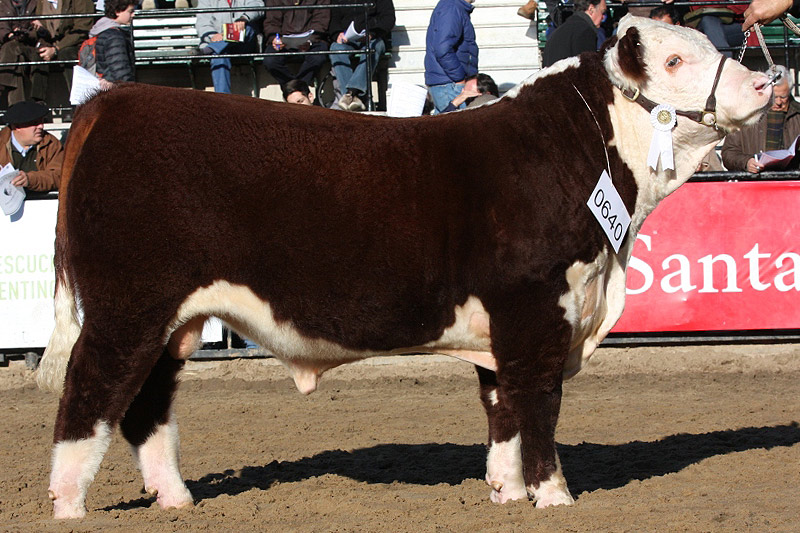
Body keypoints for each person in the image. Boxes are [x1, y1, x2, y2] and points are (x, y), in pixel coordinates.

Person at [0, 0, 95, 105]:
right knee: (37, 54)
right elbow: (40, 30)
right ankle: (38, 104)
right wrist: (38, 31)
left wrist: (56, 48)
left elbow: (82, 29)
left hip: (73, 45)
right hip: (48, 43)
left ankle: (78, 103)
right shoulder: (42, 2)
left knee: (66, 54)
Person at [721, 65, 800, 173]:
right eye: (774, 97)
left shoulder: (797, 115)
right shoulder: (746, 115)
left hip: (789, 182)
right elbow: (729, 153)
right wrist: (746, 162)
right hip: (755, 182)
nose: (778, 102)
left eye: (783, 97)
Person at [328, 0, 395, 112]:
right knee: (335, 48)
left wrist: (372, 33)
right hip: (347, 39)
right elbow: (334, 19)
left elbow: (388, 18)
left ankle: (351, 93)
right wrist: (337, 33)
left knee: (373, 48)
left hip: (373, 37)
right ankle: (354, 97)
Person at [196, 0, 263, 94]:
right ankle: (223, 100)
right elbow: (202, 23)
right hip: (219, 43)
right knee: (218, 55)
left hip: (244, 44)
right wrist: (213, 36)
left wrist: (244, 18)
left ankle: (211, 48)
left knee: (248, 28)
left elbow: (258, 5)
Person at [423, 0, 478, 114]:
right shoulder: (452, 8)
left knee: (442, 130)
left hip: (448, 83)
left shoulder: (455, 7)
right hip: (449, 84)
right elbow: (442, 49)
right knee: (458, 129)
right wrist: (459, 78)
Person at [262, 0, 330, 89]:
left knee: (317, 57)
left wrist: (310, 40)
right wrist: (275, 38)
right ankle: (298, 89)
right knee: (270, 61)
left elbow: (321, 21)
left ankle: (294, 90)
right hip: (283, 40)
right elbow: (271, 22)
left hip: (312, 39)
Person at [0, 100, 63, 191]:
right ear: (17, 127)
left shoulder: (51, 144)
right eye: (34, 123)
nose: (41, 126)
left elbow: (59, 175)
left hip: (42, 202)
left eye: (42, 121)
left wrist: (30, 180)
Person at [541, 0, 605, 68]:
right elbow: (587, 71)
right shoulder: (585, 31)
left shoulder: (560, 31)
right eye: (602, 12)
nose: (603, 17)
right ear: (591, 9)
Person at [89, 0, 136, 87]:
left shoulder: (101, 30)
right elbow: (120, 69)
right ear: (117, 11)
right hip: (115, 89)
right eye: (130, 11)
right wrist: (129, 88)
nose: (133, 14)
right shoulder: (115, 37)